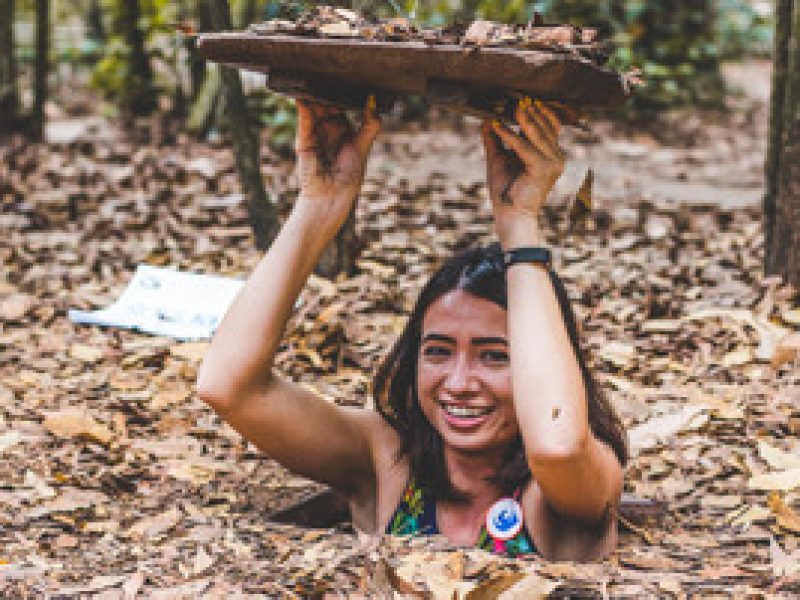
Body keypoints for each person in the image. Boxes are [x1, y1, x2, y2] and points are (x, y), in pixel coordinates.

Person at [197, 94, 627, 561]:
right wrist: (319, 203)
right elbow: (229, 386)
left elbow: (557, 443)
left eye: (494, 356)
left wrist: (520, 225)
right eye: (438, 351)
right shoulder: (389, 458)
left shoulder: (573, 484)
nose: (458, 383)